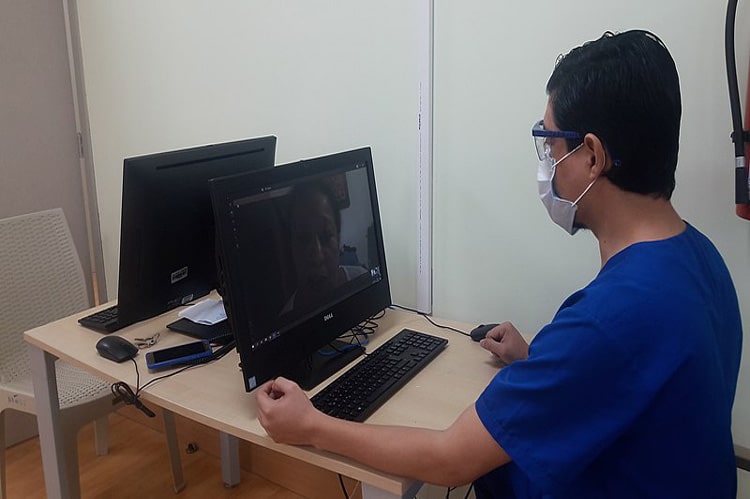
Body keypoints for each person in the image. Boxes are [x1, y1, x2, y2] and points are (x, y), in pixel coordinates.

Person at [256, 30, 742, 498]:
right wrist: (540, 363)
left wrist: (312, 424)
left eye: (551, 144)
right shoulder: (701, 259)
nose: (547, 162)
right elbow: (635, 385)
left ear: (593, 156)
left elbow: (450, 460)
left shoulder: (609, 318)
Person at [281, 179, 366, 314]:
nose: (317, 256)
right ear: (291, 248)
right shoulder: (287, 319)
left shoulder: (362, 280)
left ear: (338, 238)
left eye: (326, 236)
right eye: (303, 239)